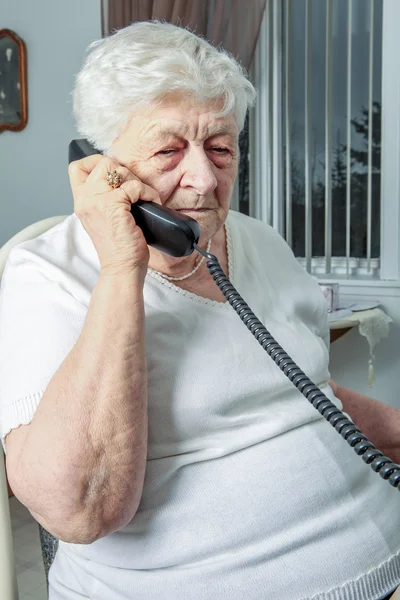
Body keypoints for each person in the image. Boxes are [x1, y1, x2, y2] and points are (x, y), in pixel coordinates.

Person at [0, 20, 399, 600]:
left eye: (221, 147)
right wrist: (121, 270)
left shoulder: (263, 243)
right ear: (105, 163)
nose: (205, 178)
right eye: (168, 150)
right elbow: (78, 511)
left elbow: (312, 393)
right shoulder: (43, 276)